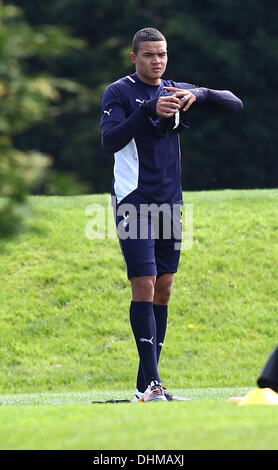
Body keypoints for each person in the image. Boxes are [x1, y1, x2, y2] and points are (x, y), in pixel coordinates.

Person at [100, 27, 243, 402]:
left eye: (162, 54)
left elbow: (234, 104)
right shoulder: (119, 92)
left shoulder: (174, 89)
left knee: (163, 289)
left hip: (170, 205)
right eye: (148, 55)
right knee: (144, 284)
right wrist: (146, 110)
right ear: (134, 57)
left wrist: (198, 93)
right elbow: (109, 140)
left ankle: (145, 386)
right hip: (133, 202)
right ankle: (152, 384)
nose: (157, 61)